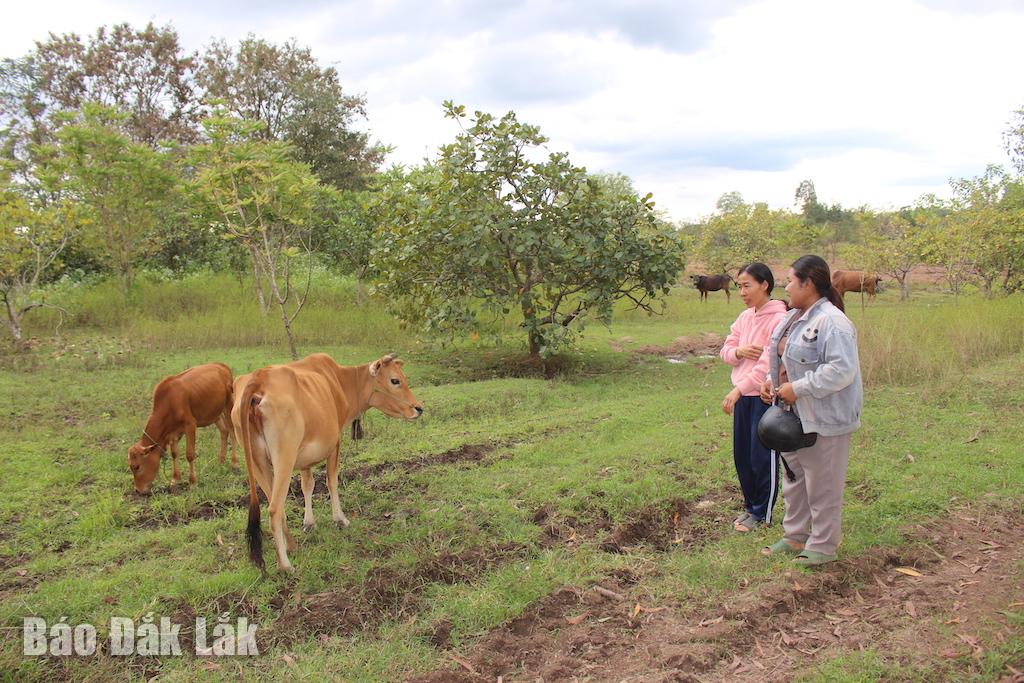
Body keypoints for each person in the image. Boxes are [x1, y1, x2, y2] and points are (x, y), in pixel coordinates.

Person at [759, 255, 863, 566]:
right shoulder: (792, 317)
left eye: (791, 280)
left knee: (823, 484)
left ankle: (823, 545)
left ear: (809, 283)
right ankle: (795, 536)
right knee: (795, 478)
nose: (786, 286)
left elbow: (842, 370)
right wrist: (770, 380)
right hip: (793, 416)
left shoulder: (832, 322)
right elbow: (781, 358)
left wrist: (799, 388)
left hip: (824, 418)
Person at [719, 263, 788, 532]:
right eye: (739, 286)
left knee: (763, 456)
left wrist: (738, 389)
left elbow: (767, 365)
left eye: (747, 285)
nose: (742, 292)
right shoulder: (745, 317)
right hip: (742, 396)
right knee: (743, 455)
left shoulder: (778, 318)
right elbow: (726, 349)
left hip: (763, 395)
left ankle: (763, 513)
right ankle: (750, 506)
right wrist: (738, 352)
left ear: (765, 285)